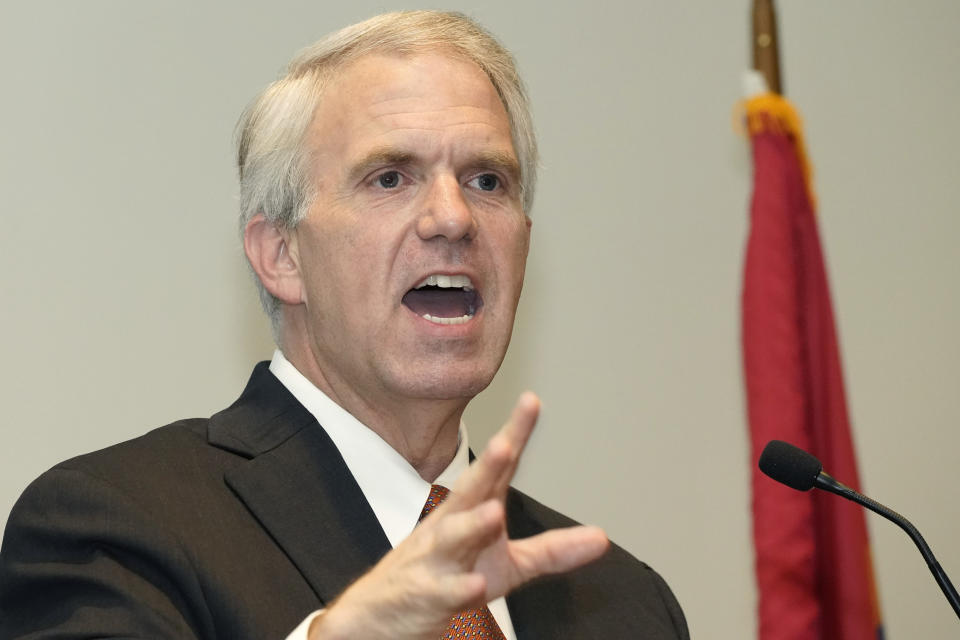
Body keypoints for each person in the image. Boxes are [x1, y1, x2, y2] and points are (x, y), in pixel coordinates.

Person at [0, 11, 688, 640]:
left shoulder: (622, 602)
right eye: (390, 178)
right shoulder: (117, 529)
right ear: (282, 255)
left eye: (487, 181)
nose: (454, 218)